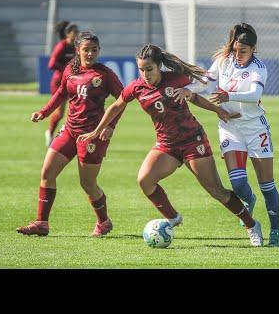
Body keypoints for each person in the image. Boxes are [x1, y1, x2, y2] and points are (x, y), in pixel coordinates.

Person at [77, 43, 265, 247]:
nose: (145, 74)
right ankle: (173, 218)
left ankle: (251, 225)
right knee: (145, 180)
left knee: (216, 190)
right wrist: (96, 131)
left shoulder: (176, 79)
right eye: (141, 69)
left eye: (149, 69)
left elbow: (194, 95)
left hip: (193, 141)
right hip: (167, 145)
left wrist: (218, 110)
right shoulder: (136, 87)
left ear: (159, 66)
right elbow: (115, 106)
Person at [173, 23, 279, 246]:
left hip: (255, 128)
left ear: (253, 49)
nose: (238, 55)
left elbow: (255, 94)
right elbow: (205, 81)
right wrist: (189, 89)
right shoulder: (224, 62)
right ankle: (249, 200)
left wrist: (228, 95)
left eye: (243, 51)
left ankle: (276, 229)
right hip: (230, 129)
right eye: (235, 50)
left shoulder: (258, 68)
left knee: (267, 184)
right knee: (239, 183)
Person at [17, 32, 124, 237]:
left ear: (99, 51)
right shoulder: (70, 69)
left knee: (87, 183)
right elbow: (61, 93)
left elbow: (122, 100)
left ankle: (104, 222)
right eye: (86, 49)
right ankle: (42, 223)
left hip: (92, 134)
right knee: (47, 173)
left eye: (94, 49)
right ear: (78, 51)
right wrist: (44, 112)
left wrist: (110, 126)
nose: (90, 53)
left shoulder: (105, 74)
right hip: (70, 130)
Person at [45, 20, 79, 147]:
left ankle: (68, 137)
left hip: (72, 82)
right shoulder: (62, 46)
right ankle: (50, 133)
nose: (77, 34)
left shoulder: (76, 46)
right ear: (68, 33)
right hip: (59, 83)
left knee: (76, 110)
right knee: (59, 113)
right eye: (75, 32)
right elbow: (51, 64)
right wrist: (66, 69)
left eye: (78, 32)